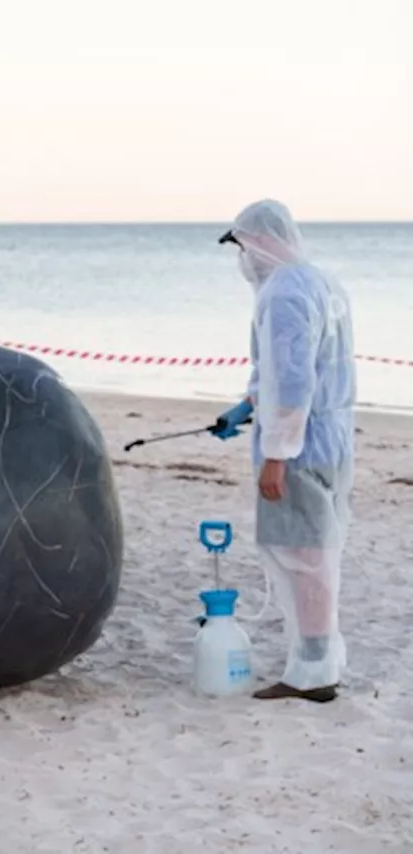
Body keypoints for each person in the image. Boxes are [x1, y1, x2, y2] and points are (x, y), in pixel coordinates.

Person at [211, 199, 357, 703]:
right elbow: (288, 371)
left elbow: (293, 382)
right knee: (320, 554)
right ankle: (322, 660)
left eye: (242, 246)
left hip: (302, 447)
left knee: (303, 559)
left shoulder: (283, 294)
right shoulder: (321, 282)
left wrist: (277, 454)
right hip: (333, 441)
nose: (242, 259)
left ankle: (312, 674)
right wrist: (246, 406)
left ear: (259, 242)